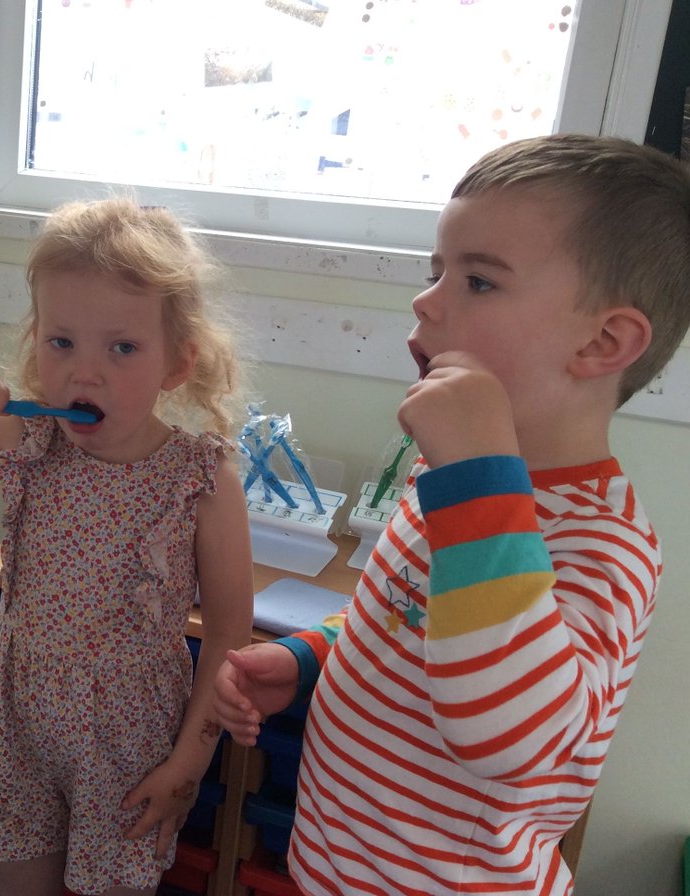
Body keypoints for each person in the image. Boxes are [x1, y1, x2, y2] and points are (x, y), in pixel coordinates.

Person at [214, 133, 690, 895]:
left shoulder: (604, 544)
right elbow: (405, 616)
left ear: (604, 341)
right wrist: (311, 657)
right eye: (435, 271)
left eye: (478, 281)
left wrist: (476, 479)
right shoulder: (448, 477)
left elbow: (510, 736)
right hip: (334, 868)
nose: (425, 300)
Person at [0, 198, 254, 896]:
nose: (83, 373)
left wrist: (188, 765)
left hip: (131, 739)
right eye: (61, 342)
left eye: (122, 348)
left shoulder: (203, 477)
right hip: (22, 723)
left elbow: (228, 634)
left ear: (176, 362)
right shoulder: (28, 437)